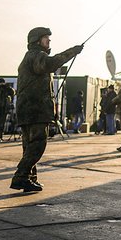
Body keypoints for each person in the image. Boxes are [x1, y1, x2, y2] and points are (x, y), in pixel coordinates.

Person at [11, 27, 83, 192]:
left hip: (28, 109)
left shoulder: (31, 56)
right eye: (45, 38)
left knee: (29, 146)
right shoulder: (37, 55)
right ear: (37, 40)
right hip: (35, 109)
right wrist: (72, 52)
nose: (49, 41)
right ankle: (21, 176)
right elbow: (50, 64)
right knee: (37, 144)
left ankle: (29, 179)